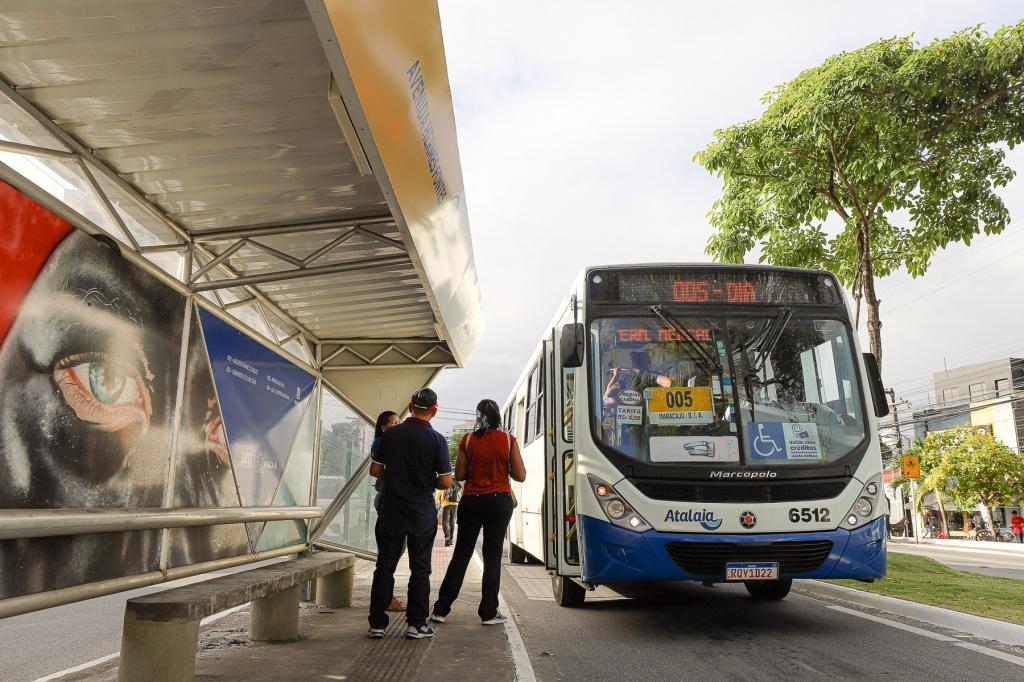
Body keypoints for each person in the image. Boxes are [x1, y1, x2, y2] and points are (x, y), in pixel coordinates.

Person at [431, 399, 526, 626]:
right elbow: (521, 475)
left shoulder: (468, 440)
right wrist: (503, 467)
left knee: (461, 555)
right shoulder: (507, 440)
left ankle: (441, 609)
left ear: (477, 417)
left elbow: (461, 475)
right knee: (492, 558)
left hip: (472, 501)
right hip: (498, 502)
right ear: (498, 418)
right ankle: (488, 613)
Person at [368, 389, 452, 640]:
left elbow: (375, 470)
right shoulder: (437, 440)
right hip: (421, 514)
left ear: (410, 406)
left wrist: (396, 479)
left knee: (384, 566)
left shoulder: (390, 434)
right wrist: (426, 482)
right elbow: (446, 482)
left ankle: (377, 624)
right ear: (434, 410)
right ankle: (416, 624)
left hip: (391, 510)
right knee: (420, 568)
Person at [370, 410, 405, 612]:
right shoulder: (381, 443)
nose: (397, 425)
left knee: (391, 554)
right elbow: (376, 471)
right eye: (393, 422)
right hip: (387, 501)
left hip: (387, 499)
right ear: (383, 426)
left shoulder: (389, 442)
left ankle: (386, 597)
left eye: (399, 422)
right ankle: (386, 599)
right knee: (389, 555)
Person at [440, 478, 462, 546]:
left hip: (446, 503)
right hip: (455, 503)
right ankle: (451, 540)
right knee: (452, 521)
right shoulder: (455, 480)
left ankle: (447, 538)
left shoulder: (444, 478)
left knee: (445, 521)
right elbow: (460, 490)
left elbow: (439, 491)